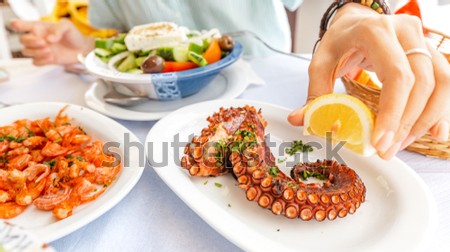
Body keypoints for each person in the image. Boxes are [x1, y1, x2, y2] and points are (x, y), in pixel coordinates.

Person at [9, 0, 450, 160]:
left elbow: (344, 2)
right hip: (149, 113)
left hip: (275, 88)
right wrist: (76, 47)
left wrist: (353, 10)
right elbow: (119, 38)